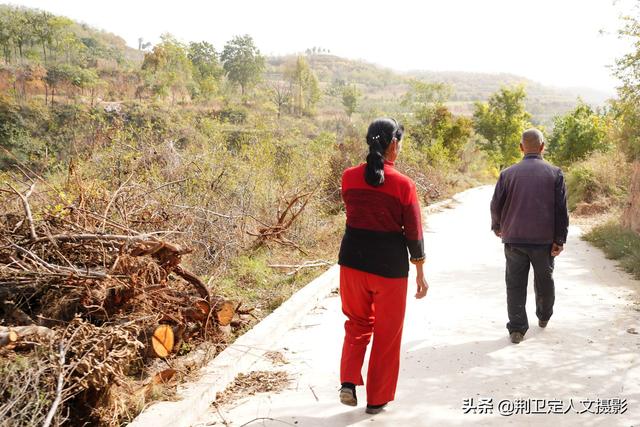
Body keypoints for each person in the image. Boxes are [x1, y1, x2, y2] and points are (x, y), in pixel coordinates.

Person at [337, 117, 429, 414]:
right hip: (389, 270)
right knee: (387, 333)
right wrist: (420, 270)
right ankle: (376, 400)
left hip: (351, 262)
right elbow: (413, 231)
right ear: (393, 144)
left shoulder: (348, 177)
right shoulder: (403, 184)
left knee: (357, 325)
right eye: (399, 142)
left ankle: (348, 382)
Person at [490, 128, 569, 344]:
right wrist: (559, 239)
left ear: (521, 147)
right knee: (545, 281)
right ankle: (544, 316)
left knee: (514, 284)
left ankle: (516, 329)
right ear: (543, 147)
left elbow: (496, 204)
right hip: (544, 241)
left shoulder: (507, 174)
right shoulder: (555, 173)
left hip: (514, 238)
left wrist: (497, 226)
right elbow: (561, 210)